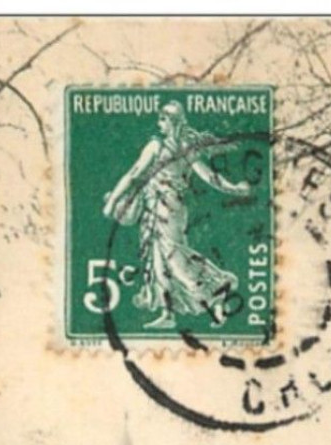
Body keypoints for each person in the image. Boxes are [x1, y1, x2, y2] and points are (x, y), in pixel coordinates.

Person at [102, 102, 253, 329]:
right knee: (157, 260)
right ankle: (168, 313)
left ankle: (216, 293)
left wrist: (234, 188)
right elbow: (134, 174)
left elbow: (208, 176)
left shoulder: (181, 148)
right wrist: (114, 198)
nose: (159, 124)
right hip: (153, 208)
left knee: (176, 259)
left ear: (173, 122)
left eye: (163, 119)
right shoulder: (158, 145)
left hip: (170, 210)